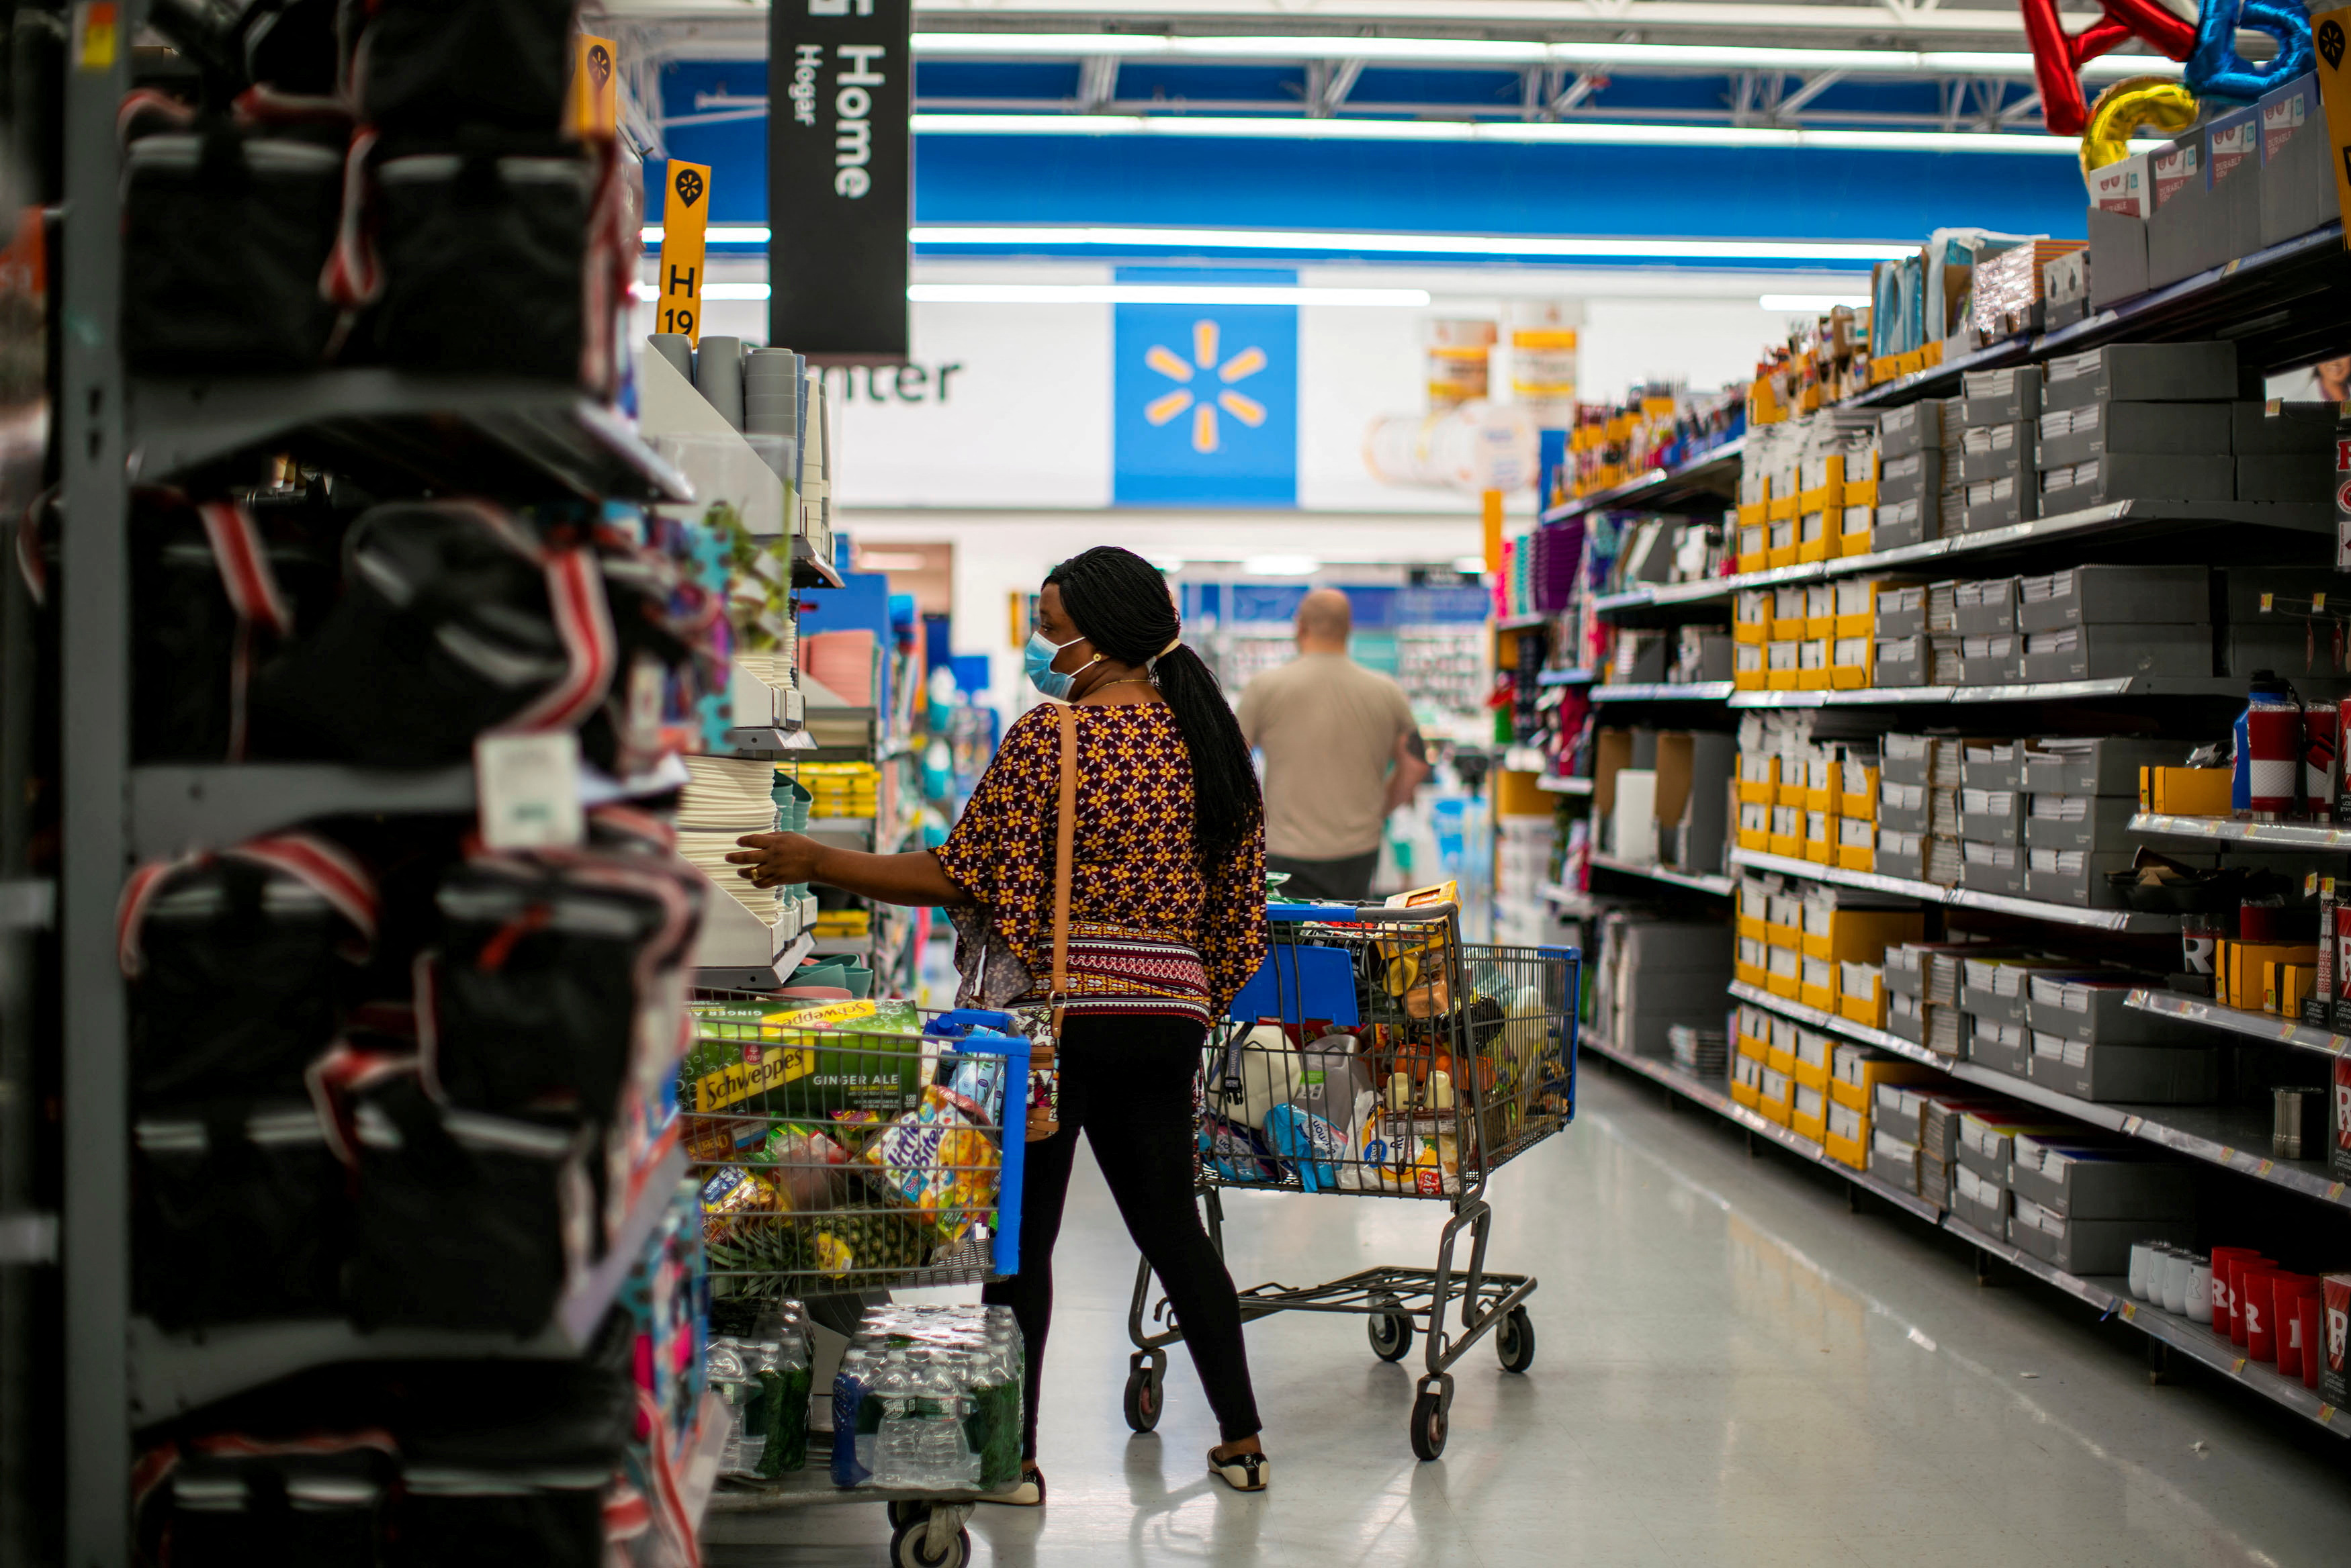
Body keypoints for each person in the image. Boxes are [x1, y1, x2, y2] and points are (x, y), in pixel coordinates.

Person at [727, 545, 1273, 1502]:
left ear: (1097, 636)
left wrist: (818, 858)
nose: (1042, 641)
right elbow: (1239, 912)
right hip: (1170, 1014)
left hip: (1060, 1025)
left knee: (1025, 1238)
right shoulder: (1209, 744)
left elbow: (962, 872)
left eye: (1053, 624)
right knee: (1171, 1227)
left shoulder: (1051, 739)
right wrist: (1187, 993)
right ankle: (1242, 1435)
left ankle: (1013, 1456)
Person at [1235, 587, 1429, 903]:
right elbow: (1416, 764)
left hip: (1285, 848)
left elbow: (1231, 763)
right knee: (1348, 940)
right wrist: (1380, 810)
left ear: (1300, 627)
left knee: (1291, 947)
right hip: (1357, 848)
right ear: (1348, 630)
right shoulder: (1387, 691)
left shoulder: (1265, 688)